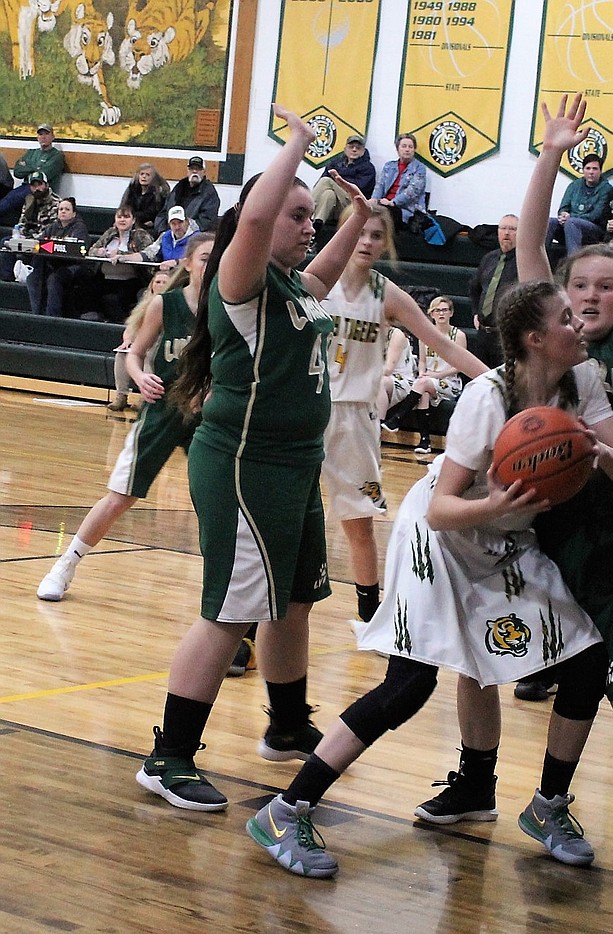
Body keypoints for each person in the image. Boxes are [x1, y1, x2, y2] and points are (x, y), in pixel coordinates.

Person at [246, 277, 613, 878]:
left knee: (586, 657)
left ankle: (538, 804)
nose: (581, 325)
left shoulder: (582, 382)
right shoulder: (487, 398)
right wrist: (499, 503)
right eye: (567, 318)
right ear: (536, 339)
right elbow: (442, 509)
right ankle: (286, 808)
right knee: (410, 684)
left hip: (508, 534)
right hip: (443, 534)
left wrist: (599, 454)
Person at [414, 95, 613, 867]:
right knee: (487, 652)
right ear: (558, 309)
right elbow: (533, 243)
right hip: (542, 521)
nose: (596, 298)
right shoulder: (548, 337)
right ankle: (481, 781)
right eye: (582, 291)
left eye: (610, 288)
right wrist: (551, 153)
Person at [133, 105, 372, 812]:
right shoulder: (240, 282)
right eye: (298, 215)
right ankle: (169, 757)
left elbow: (326, 269)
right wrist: (295, 147)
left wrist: (359, 218)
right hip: (244, 464)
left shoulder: (292, 287)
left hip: (294, 466)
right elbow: (260, 219)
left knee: (293, 600)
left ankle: (288, 724)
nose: (308, 226)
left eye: (311, 217)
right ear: (258, 226)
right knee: (231, 611)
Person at [319, 203, 486, 623]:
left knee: (359, 522)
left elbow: (444, 344)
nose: (367, 241)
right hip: (306, 409)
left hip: (355, 416)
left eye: (377, 235)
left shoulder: (386, 293)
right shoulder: (314, 283)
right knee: (283, 520)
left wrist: (498, 381)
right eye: (359, 232)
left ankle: (371, 614)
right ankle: (248, 621)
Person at [36, 234, 216, 601]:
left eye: (217, 259)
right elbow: (133, 354)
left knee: (216, 504)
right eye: (204, 258)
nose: (210, 265)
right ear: (188, 261)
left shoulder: (229, 308)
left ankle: (227, 591)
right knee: (120, 496)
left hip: (208, 417)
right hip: (163, 407)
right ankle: (65, 565)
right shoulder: (165, 305)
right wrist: (139, 376)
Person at [383, 294, 469, 455]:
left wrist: (436, 375)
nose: (441, 313)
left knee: (422, 385)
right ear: (431, 314)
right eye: (437, 310)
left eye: (444, 310)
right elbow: (422, 362)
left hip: (449, 381)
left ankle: (397, 419)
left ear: (451, 313)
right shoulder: (425, 335)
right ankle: (425, 441)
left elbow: (459, 366)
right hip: (428, 380)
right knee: (423, 393)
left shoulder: (458, 335)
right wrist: (422, 373)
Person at [108, 267, 172, 412]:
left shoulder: (172, 302)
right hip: (143, 342)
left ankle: (144, 397)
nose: (160, 285)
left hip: (162, 343)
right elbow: (131, 326)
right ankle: (121, 395)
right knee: (122, 354)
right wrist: (127, 341)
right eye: (157, 281)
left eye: (164, 282)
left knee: (150, 355)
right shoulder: (145, 302)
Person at [82, 204, 156, 322]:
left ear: (133, 220)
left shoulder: (141, 235)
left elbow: (148, 255)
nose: (122, 220)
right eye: (119, 217)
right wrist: (99, 251)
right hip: (106, 278)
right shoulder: (110, 233)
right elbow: (91, 250)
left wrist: (121, 254)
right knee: (85, 289)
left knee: (112, 299)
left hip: (131, 280)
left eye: (126, 217)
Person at [467, 214, 518, 368]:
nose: (507, 233)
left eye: (512, 229)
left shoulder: (523, 261)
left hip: (506, 336)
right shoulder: (489, 258)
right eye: (503, 228)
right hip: (483, 334)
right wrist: (476, 312)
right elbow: (474, 288)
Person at [24, 197, 88, 317]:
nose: (63, 211)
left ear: (74, 213)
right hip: (54, 263)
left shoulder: (79, 228)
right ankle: (37, 314)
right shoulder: (53, 227)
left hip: (74, 266)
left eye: (67, 209)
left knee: (54, 278)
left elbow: (76, 250)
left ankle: (52, 317)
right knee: (32, 278)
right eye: (60, 209)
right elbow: (40, 242)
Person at [0, 169, 60, 283]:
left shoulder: (56, 204)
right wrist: (19, 234)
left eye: (40, 185)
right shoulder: (29, 201)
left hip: (44, 242)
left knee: (40, 248)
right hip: (27, 239)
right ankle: (8, 281)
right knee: (5, 243)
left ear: (46, 185)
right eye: (33, 185)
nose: (37, 188)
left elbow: (52, 229)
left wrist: (32, 238)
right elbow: (22, 222)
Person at [545, 151, 609, 256]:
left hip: (593, 231)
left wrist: (570, 218)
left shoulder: (606, 189)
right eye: (588, 168)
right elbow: (563, 207)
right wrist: (563, 214)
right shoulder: (574, 185)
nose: (591, 172)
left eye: (595, 169)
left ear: (600, 171)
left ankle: (573, 262)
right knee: (550, 222)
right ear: (583, 170)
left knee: (572, 223)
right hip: (570, 226)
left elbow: (596, 215)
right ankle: (540, 259)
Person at [0, 123, 65, 221]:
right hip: (25, 186)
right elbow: (17, 172)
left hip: (42, 190)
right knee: (9, 197)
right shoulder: (31, 152)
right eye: (40, 134)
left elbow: (42, 176)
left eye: (46, 134)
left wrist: (27, 166)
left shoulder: (56, 156)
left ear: (52, 136)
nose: (43, 137)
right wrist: (36, 168)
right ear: (37, 138)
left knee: (11, 199)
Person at [311, 133, 377, 231]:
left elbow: (357, 189)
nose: (354, 149)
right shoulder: (335, 163)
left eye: (358, 148)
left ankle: (308, 210)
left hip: (353, 205)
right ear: (345, 149)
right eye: (351, 147)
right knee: (329, 194)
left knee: (326, 181)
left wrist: (337, 181)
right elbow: (320, 183)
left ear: (363, 151)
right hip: (336, 208)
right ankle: (317, 226)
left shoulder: (368, 168)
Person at [372, 133, 428, 227]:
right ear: (397, 149)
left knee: (385, 214)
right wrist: (374, 200)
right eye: (404, 146)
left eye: (410, 147)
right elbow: (380, 186)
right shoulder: (389, 166)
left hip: (406, 210)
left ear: (414, 150)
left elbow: (412, 191)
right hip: (385, 204)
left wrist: (393, 202)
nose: (407, 149)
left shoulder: (420, 168)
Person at [155, 156, 221, 233]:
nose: (195, 171)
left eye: (198, 169)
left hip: (192, 236)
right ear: (188, 171)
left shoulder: (209, 193)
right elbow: (163, 212)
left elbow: (206, 222)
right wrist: (162, 230)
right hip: (168, 232)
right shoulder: (178, 188)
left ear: (204, 172)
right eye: (192, 168)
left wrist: (184, 232)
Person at [127, 206, 199, 270]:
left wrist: (176, 262)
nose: (177, 227)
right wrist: (125, 257)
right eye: (173, 223)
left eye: (180, 222)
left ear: (187, 222)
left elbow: (198, 260)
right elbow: (148, 254)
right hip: (167, 277)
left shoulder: (198, 238)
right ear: (169, 224)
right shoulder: (165, 236)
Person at [121, 163, 170, 235]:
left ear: (153, 178)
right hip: (130, 223)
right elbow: (124, 207)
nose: (144, 177)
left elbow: (154, 213)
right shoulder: (132, 190)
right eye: (142, 174)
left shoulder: (159, 193)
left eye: (147, 175)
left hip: (150, 227)